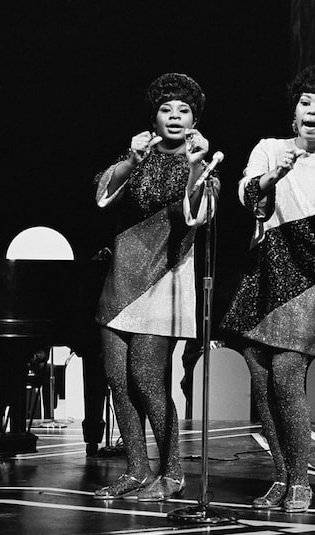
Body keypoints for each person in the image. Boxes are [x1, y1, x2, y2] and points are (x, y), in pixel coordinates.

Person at [220, 64, 315, 513]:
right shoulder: (270, 149)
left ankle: (301, 480)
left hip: (305, 278)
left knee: (286, 374)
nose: (313, 111)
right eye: (306, 102)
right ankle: (281, 477)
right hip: (262, 271)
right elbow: (246, 196)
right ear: (294, 110)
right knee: (261, 381)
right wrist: (271, 177)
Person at [92, 73, 218, 501]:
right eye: (167, 109)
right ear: (155, 117)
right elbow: (102, 196)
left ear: (195, 120)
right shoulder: (139, 157)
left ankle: (173, 470)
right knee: (117, 378)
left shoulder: (202, 163)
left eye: (184, 111)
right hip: (120, 279)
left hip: (164, 279)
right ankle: (136, 469)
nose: (176, 116)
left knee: (146, 378)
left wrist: (198, 165)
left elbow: (193, 216)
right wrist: (131, 155)